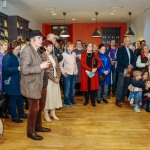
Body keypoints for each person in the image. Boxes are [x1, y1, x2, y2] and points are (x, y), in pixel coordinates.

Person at [20, 30, 51, 140]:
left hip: (41, 83)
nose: (41, 40)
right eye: (39, 38)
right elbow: (24, 70)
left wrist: (44, 65)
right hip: (31, 85)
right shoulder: (26, 51)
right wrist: (41, 67)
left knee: (40, 107)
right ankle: (30, 132)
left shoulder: (37, 50)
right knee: (34, 109)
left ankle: (38, 126)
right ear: (32, 39)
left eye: (42, 38)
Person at [2, 40, 26, 123]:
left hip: (18, 81)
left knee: (20, 99)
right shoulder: (7, 57)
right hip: (11, 82)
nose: (17, 51)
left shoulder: (17, 56)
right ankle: (14, 117)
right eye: (16, 49)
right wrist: (17, 69)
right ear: (11, 48)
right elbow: (5, 70)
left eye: (19, 49)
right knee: (12, 100)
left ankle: (21, 113)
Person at [42, 40, 62, 122]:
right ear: (45, 47)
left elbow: (58, 68)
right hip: (48, 80)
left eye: (52, 46)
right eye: (49, 46)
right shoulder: (42, 56)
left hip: (56, 80)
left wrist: (58, 77)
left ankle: (53, 113)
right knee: (48, 97)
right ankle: (46, 114)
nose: (51, 47)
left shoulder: (54, 56)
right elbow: (45, 70)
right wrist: (54, 79)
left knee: (54, 96)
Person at [116, 37, 135, 108]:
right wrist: (127, 66)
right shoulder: (120, 49)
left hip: (128, 71)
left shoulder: (131, 51)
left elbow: (134, 59)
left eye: (129, 41)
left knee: (126, 85)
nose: (128, 42)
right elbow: (119, 59)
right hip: (122, 70)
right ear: (124, 42)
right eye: (127, 41)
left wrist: (131, 66)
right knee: (120, 86)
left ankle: (122, 98)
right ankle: (117, 101)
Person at [80, 42, 102, 107]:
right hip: (85, 73)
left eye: (91, 46)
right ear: (86, 47)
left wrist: (96, 68)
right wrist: (90, 69)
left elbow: (100, 62)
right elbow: (82, 64)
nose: (90, 47)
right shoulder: (83, 54)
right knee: (86, 87)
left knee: (93, 88)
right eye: (89, 46)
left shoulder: (95, 54)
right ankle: (86, 100)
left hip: (93, 73)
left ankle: (93, 101)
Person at [59, 42, 78, 106]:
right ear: (67, 47)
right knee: (67, 88)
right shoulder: (63, 54)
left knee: (72, 88)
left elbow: (75, 63)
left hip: (73, 74)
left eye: (72, 46)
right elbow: (60, 65)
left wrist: (76, 70)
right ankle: (66, 101)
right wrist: (63, 72)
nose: (72, 47)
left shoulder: (74, 54)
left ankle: (72, 100)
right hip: (67, 74)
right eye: (71, 46)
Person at [0, 40, 9, 118]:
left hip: (5, 78)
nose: (7, 46)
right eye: (5, 45)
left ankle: (4, 111)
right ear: (1, 46)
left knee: (4, 96)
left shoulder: (5, 55)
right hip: (1, 78)